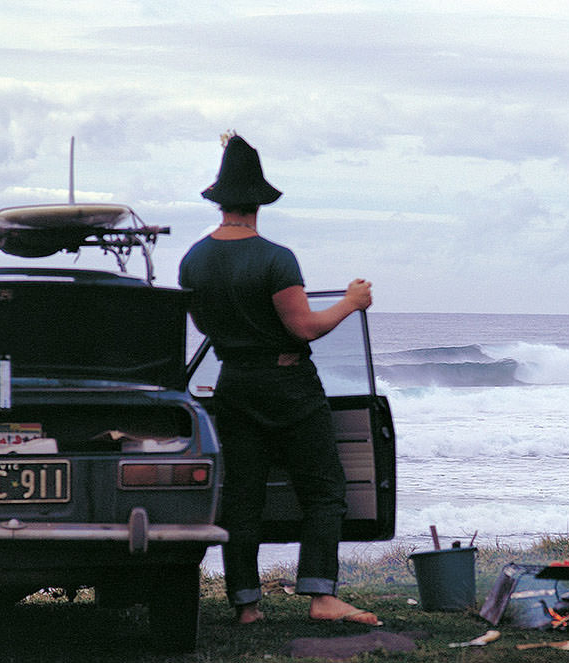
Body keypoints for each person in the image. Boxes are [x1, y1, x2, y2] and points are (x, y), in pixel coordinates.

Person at [180, 134, 379, 626]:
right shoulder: (275, 257)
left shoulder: (193, 259)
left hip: (234, 384)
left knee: (243, 496)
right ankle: (321, 596)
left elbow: (203, 326)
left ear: (220, 200)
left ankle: (246, 605)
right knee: (324, 488)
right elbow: (304, 327)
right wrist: (352, 302)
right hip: (288, 384)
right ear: (259, 202)